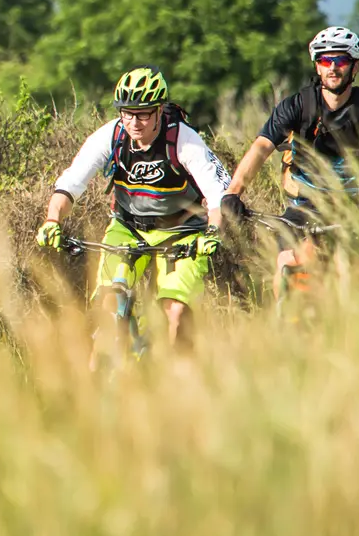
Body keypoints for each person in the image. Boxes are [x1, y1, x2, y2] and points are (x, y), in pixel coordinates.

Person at [37, 66, 232, 353]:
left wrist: (213, 232)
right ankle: (97, 387)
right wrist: (52, 220)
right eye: (127, 113)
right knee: (107, 308)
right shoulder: (111, 135)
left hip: (181, 232)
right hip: (127, 228)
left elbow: (219, 195)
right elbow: (70, 184)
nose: (133, 122)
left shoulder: (183, 139)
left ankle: (177, 376)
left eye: (142, 114)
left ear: (159, 110)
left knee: (174, 312)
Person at [219, 26, 359, 296]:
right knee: (287, 263)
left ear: (355, 66)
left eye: (340, 61)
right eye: (325, 61)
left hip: (354, 209)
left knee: (346, 271)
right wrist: (233, 193)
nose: (332, 68)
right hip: (303, 205)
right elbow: (261, 148)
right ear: (317, 67)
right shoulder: (297, 105)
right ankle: (283, 327)